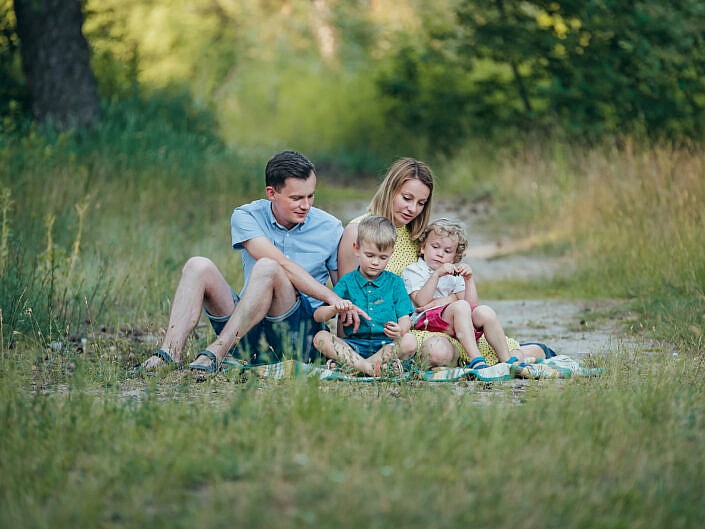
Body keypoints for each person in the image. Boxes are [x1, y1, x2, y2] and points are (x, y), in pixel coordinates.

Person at [140, 150, 365, 373]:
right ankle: (169, 353)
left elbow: (344, 288)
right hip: (247, 327)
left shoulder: (330, 227)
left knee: (268, 268)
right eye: (296, 198)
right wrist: (328, 295)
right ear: (271, 193)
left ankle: (217, 352)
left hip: (298, 332)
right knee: (197, 265)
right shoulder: (247, 216)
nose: (306, 205)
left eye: (311, 196)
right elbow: (282, 264)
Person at [337, 157, 550, 367]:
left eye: (420, 203)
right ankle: (514, 354)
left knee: (497, 346)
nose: (412, 209)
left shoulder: (416, 235)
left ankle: (525, 352)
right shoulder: (358, 231)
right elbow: (348, 302)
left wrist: (447, 300)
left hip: (432, 322)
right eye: (406, 198)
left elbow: (444, 286)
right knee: (439, 352)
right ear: (390, 190)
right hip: (389, 334)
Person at [402, 218, 537, 371]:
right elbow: (421, 301)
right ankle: (476, 358)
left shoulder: (454, 273)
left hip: (455, 318)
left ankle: (506, 360)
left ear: (454, 257)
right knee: (460, 306)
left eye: (447, 251)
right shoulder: (414, 271)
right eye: (435, 247)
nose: (440, 254)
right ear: (422, 248)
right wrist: (437, 274)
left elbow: (471, 305)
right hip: (426, 321)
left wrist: (468, 280)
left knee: (484, 312)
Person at [312, 215, 417, 377]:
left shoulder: (395, 283)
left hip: (385, 347)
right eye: (370, 255)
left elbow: (405, 321)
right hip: (353, 346)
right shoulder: (347, 282)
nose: (376, 262)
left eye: (383, 257)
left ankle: (355, 367)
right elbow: (319, 316)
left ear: (391, 253)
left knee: (410, 341)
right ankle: (371, 369)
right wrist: (334, 308)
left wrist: (399, 331)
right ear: (356, 249)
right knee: (320, 337)